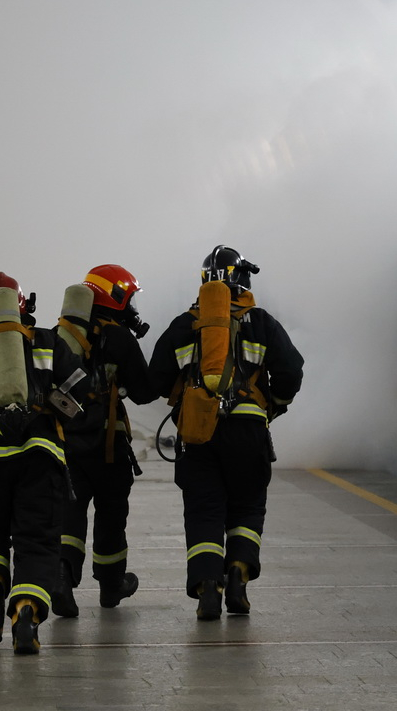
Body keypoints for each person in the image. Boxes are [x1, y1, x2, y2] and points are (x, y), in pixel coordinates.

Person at [148, 245, 303, 620]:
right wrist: (272, 405)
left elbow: (156, 380)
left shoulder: (184, 324)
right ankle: (238, 573)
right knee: (247, 504)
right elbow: (292, 371)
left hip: (200, 434)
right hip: (249, 431)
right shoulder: (262, 321)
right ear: (244, 279)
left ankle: (207, 589)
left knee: (204, 511)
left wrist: (187, 395)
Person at [0, 271, 90, 655]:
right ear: (24, 307)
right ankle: (25, 613)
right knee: (37, 543)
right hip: (41, 460)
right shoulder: (48, 343)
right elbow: (82, 387)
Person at [51, 265, 159, 618]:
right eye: (128, 298)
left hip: (64, 443)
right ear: (113, 297)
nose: (132, 307)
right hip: (108, 445)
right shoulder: (119, 338)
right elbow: (144, 393)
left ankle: (64, 578)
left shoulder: (58, 334)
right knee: (111, 513)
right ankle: (111, 586)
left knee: (70, 511)